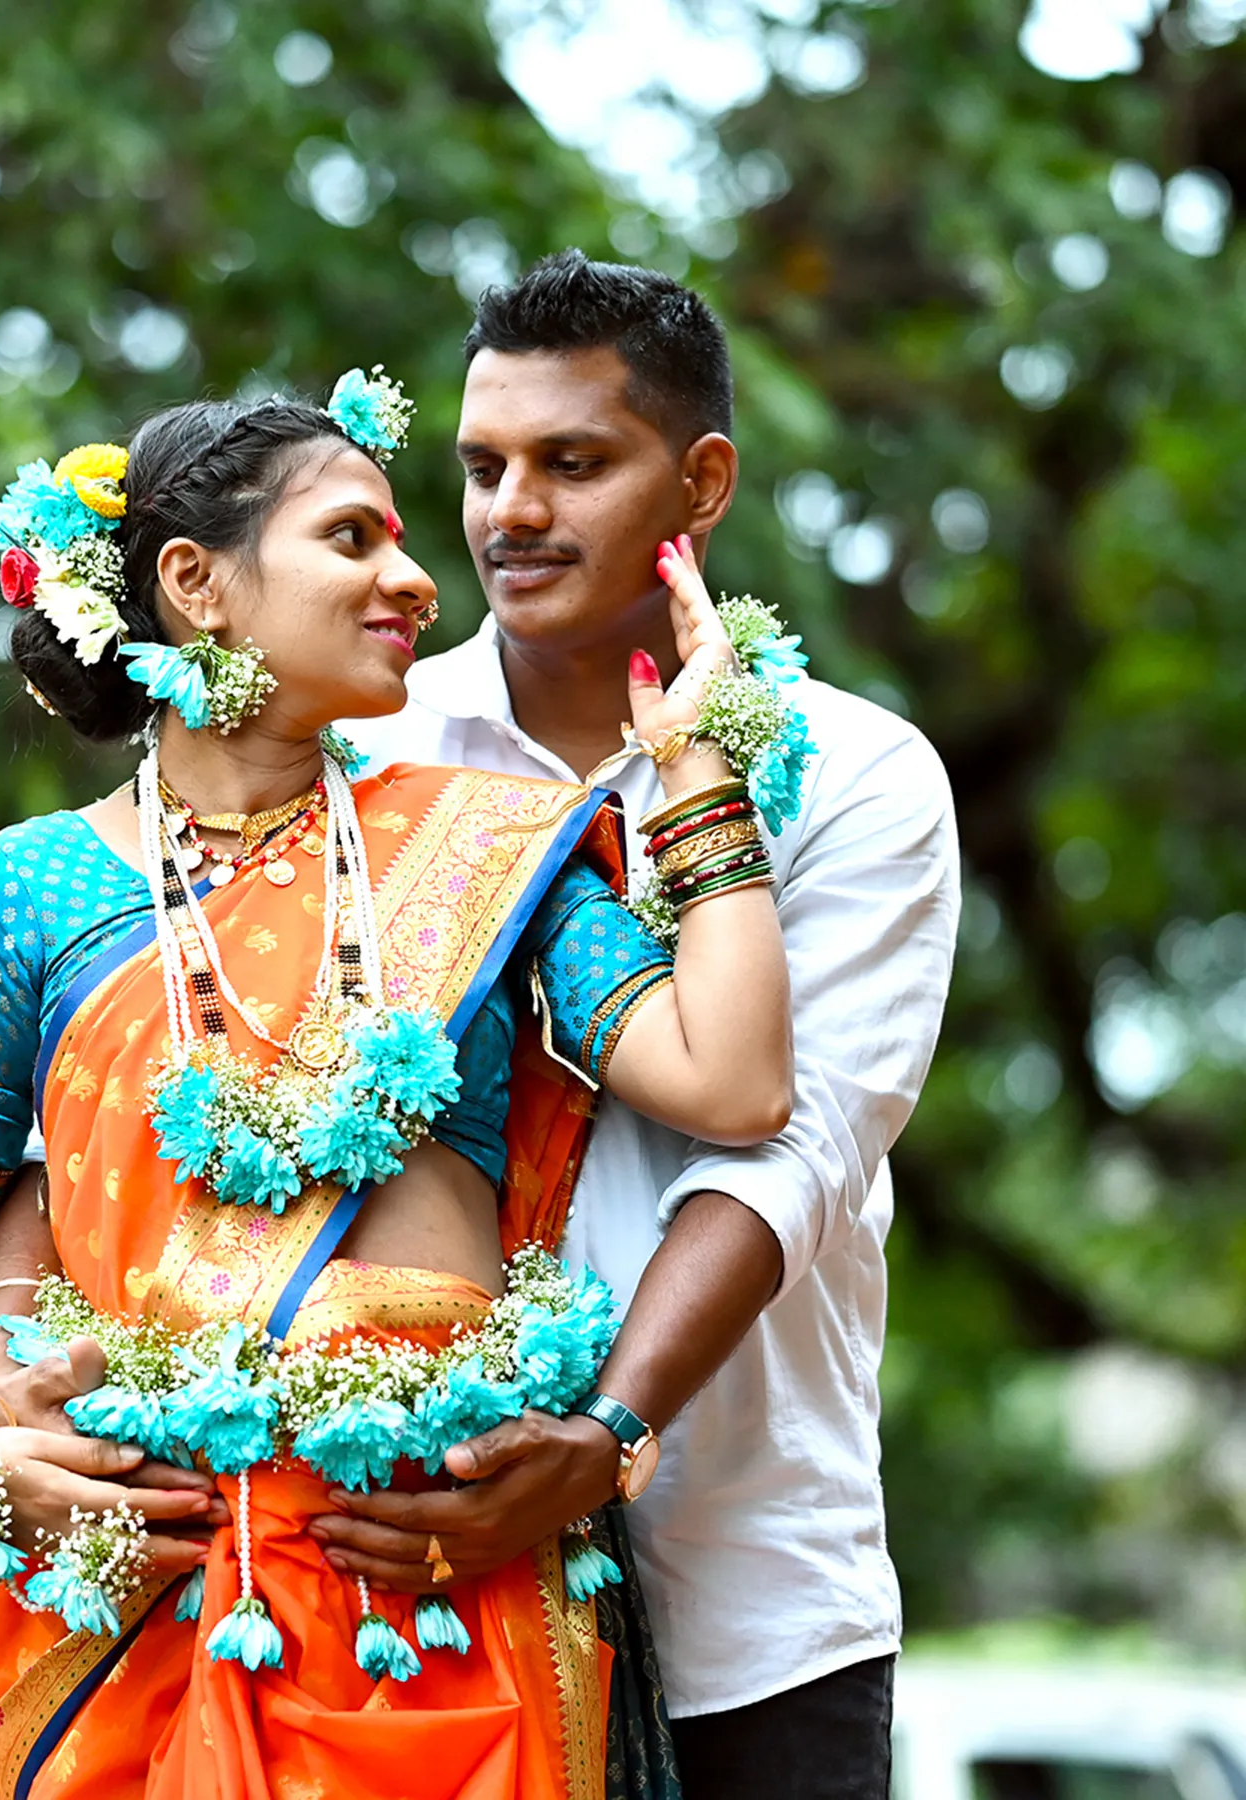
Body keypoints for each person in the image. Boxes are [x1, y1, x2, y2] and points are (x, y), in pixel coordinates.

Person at [0, 369, 801, 1799]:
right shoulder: (24, 891)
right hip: (156, 1588)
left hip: (444, 1576)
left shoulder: (492, 844)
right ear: (196, 583)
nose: (417, 581)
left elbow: (739, 1082)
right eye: (354, 539)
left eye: (403, 541)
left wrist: (699, 773)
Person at [318, 254, 962, 1797]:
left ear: (702, 482)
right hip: (408, 1578)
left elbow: (795, 1146)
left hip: (754, 1601)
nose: (509, 512)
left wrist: (609, 1431)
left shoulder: (859, 777)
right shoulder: (358, 755)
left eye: (573, 464)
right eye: (481, 468)